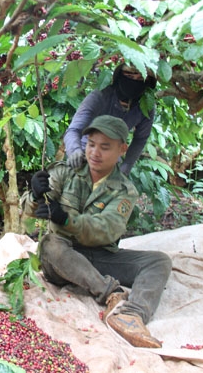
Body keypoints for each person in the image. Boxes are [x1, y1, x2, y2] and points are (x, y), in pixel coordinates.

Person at [21, 115, 172, 348]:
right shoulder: (67, 172)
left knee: (159, 261)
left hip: (99, 256)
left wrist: (67, 219)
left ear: (122, 149)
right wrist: (35, 195)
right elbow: (31, 208)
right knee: (50, 244)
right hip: (62, 257)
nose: (94, 153)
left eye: (104, 147)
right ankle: (111, 294)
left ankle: (131, 314)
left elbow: (107, 230)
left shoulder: (124, 190)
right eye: (91, 144)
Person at [63, 63, 157, 175]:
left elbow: (140, 139)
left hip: (111, 162)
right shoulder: (101, 96)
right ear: (120, 77)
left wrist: (126, 167)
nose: (134, 82)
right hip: (84, 154)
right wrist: (75, 151)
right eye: (130, 77)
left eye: (140, 78)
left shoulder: (146, 106)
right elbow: (74, 130)